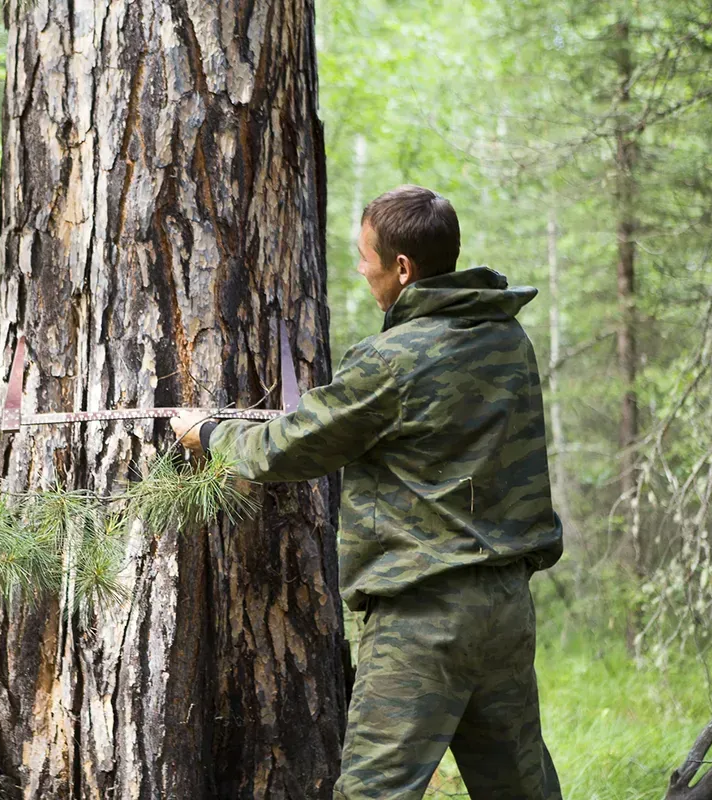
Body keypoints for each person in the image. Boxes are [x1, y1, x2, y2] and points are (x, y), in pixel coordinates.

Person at [171, 185, 564, 800]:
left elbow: (291, 447)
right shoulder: (507, 339)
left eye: (365, 256)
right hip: (507, 606)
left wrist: (211, 434)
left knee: (374, 793)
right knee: (520, 789)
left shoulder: (392, 359)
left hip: (423, 613)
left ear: (402, 268)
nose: (360, 269)